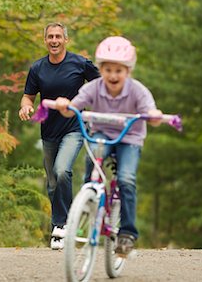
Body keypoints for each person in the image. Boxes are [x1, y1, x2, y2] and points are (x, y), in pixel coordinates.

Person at [55, 36, 162, 256]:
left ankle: (127, 233)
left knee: (126, 179)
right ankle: (89, 197)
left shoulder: (138, 91)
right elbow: (72, 107)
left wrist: (154, 115)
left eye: (118, 71)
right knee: (93, 156)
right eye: (108, 70)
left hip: (129, 137)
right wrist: (64, 105)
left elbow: (152, 113)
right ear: (101, 69)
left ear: (128, 71)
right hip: (102, 133)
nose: (113, 75)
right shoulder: (94, 87)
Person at [19, 23, 100, 250]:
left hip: (74, 128)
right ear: (45, 40)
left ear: (66, 39)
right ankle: (60, 227)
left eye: (58, 37)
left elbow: (100, 86)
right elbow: (28, 97)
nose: (54, 40)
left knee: (62, 171)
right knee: (53, 183)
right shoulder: (38, 68)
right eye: (50, 37)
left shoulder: (80, 63)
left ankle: (62, 225)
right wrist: (25, 107)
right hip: (49, 131)